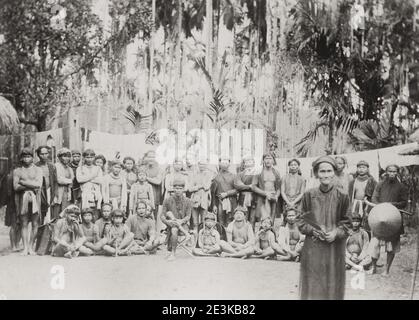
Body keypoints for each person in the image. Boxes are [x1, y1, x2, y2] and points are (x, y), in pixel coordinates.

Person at [297, 155, 351, 300]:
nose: (326, 175)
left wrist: (336, 232)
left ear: (334, 172)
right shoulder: (309, 195)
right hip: (314, 247)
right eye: (322, 171)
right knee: (313, 282)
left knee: (332, 283)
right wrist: (313, 230)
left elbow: (347, 223)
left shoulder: (342, 196)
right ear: (316, 173)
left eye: (329, 171)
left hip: (334, 248)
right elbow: (301, 221)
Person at [368, 164, 408, 275]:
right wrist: (381, 205)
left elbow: (404, 202)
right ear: (386, 172)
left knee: (391, 246)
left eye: (394, 171)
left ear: (397, 172)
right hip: (379, 217)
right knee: (375, 243)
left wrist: (391, 205)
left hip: (394, 219)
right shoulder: (380, 184)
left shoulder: (401, 187)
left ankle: (386, 269)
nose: (392, 173)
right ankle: (374, 267)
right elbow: (374, 198)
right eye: (390, 171)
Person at [13, 148, 43, 255]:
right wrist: (31, 184)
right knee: (24, 223)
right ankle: (25, 247)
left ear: (32, 157)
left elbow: (38, 184)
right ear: (21, 158)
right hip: (22, 199)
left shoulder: (38, 170)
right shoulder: (17, 171)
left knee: (35, 223)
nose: (26, 159)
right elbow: (16, 187)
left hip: (35, 199)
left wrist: (23, 182)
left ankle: (31, 246)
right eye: (24, 157)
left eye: (29, 156)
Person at [160, 179, 192, 261]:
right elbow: (162, 215)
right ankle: (173, 253)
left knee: (175, 227)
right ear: (173, 189)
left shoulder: (188, 201)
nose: (178, 190)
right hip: (171, 224)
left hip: (184, 225)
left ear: (183, 189)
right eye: (176, 188)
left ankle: (173, 252)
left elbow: (188, 216)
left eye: (180, 188)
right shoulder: (167, 200)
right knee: (174, 229)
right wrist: (167, 221)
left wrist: (181, 221)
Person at [348, 160, 377, 234]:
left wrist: (370, 204)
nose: (361, 169)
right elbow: (350, 195)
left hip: (367, 205)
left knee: (365, 223)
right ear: (357, 169)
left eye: (363, 167)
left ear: (367, 169)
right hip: (355, 205)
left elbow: (375, 194)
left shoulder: (372, 181)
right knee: (355, 222)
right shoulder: (353, 181)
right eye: (359, 167)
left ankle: (366, 239)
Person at [252, 153, 281, 225]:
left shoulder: (276, 172)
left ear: (273, 161)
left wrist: (277, 195)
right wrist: (265, 193)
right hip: (261, 198)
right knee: (262, 219)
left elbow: (278, 188)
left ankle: (272, 235)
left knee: (272, 219)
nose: (268, 161)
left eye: (270, 158)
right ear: (263, 160)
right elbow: (253, 187)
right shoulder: (258, 172)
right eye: (266, 158)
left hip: (273, 198)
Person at [211, 157, 238, 227]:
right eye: (222, 163)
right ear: (219, 164)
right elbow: (213, 193)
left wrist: (227, 193)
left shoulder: (234, 176)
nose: (224, 164)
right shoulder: (216, 177)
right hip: (219, 201)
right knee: (220, 220)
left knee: (230, 221)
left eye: (226, 163)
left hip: (231, 201)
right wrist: (214, 205)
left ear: (229, 164)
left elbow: (237, 190)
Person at [189, 160, 212, 237]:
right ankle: (195, 239)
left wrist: (198, 186)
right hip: (195, 200)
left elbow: (207, 187)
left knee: (204, 221)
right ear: (198, 165)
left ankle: (203, 238)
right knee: (195, 222)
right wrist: (199, 186)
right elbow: (190, 188)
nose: (202, 166)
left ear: (206, 165)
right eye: (200, 164)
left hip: (204, 200)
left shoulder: (209, 175)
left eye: (204, 164)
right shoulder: (194, 175)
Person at [76, 149, 103, 215]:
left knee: (95, 213)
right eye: (87, 157)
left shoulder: (98, 168)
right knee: (85, 212)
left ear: (94, 158)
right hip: (85, 194)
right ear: (84, 158)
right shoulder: (80, 168)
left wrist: (86, 179)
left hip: (96, 194)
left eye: (91, 157)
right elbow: (79, 179)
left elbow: (100, 180)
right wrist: (93, 176)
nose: (89, 159)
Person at [35, 146, 57, 224]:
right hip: (40, 192)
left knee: (50, 215)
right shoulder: (35, 166)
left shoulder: (52, 166)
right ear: (38, 155)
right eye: (42, 154)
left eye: (46, 153)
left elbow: (55, 181)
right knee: (40, 213)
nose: (44, 156)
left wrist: (54, 194)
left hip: (49, 191)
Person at [234, 156, 257, 230]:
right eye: (246, 162)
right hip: (243, 197)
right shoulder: (240, 174)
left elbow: (256, 185)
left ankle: (252, 235)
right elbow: (238, 185)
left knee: (252, 218)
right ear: (244, 164)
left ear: (253, 163)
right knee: (244, 216)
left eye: (250, 161)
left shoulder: (257, 173)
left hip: (254, 197)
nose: (248, 163)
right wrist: (248, 186)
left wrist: (245, 186)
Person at [51, 148, 74, 220]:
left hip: (67, 191)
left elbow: (72, 178)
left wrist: (69, 181)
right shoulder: (57, 166)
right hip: (58, 190)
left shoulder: (69, 168)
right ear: (60, 157)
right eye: (64, 156)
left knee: (65, 210)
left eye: (68, 156)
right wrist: (69, 181)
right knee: (57, 208)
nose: (66, 158)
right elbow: (59, 180)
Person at [280, 159, 305, 223]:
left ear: (298, 166)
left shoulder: (302, 179)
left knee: (297, 218)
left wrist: (294, 202)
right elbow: (282, 191)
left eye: (295, 165)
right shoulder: (284, 178)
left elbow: (302, 193)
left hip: (298, 202)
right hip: (286, 201)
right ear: (289, 166)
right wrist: (288, 201)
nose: (293, 166)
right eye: (291, 165)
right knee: (286, 218)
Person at [4, 170, 21, 252]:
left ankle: (17, 244)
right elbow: (8, 192)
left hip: (21, 202)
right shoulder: (10, 176)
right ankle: (13, 245)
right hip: (13, 203)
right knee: (14, 225)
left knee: (21, 225)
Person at [143, 150, 163, 219]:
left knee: (153, 216)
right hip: (144, 195)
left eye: (153, 157)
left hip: (155, 196)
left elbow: (158, 181)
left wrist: (146, 178)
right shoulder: (143, 168)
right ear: (146, 157)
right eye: (149, 157)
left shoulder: (159, 168)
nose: (151, 159)